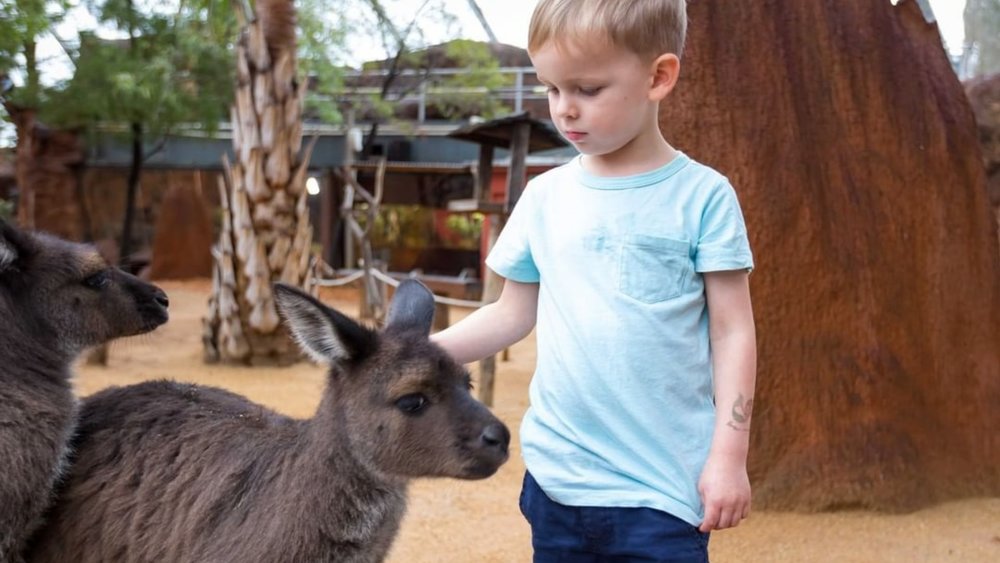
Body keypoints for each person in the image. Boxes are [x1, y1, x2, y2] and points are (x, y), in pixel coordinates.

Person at [431, 0, 756, 560]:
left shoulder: (704, 196)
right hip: (558, 485)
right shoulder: (545, 196)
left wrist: (729, 457)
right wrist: (408, 353)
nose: (565, 109)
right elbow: (510, 313)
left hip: (662, 490)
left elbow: (733, 333)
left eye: (587, 89)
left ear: (658, 77)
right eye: (552, 89)